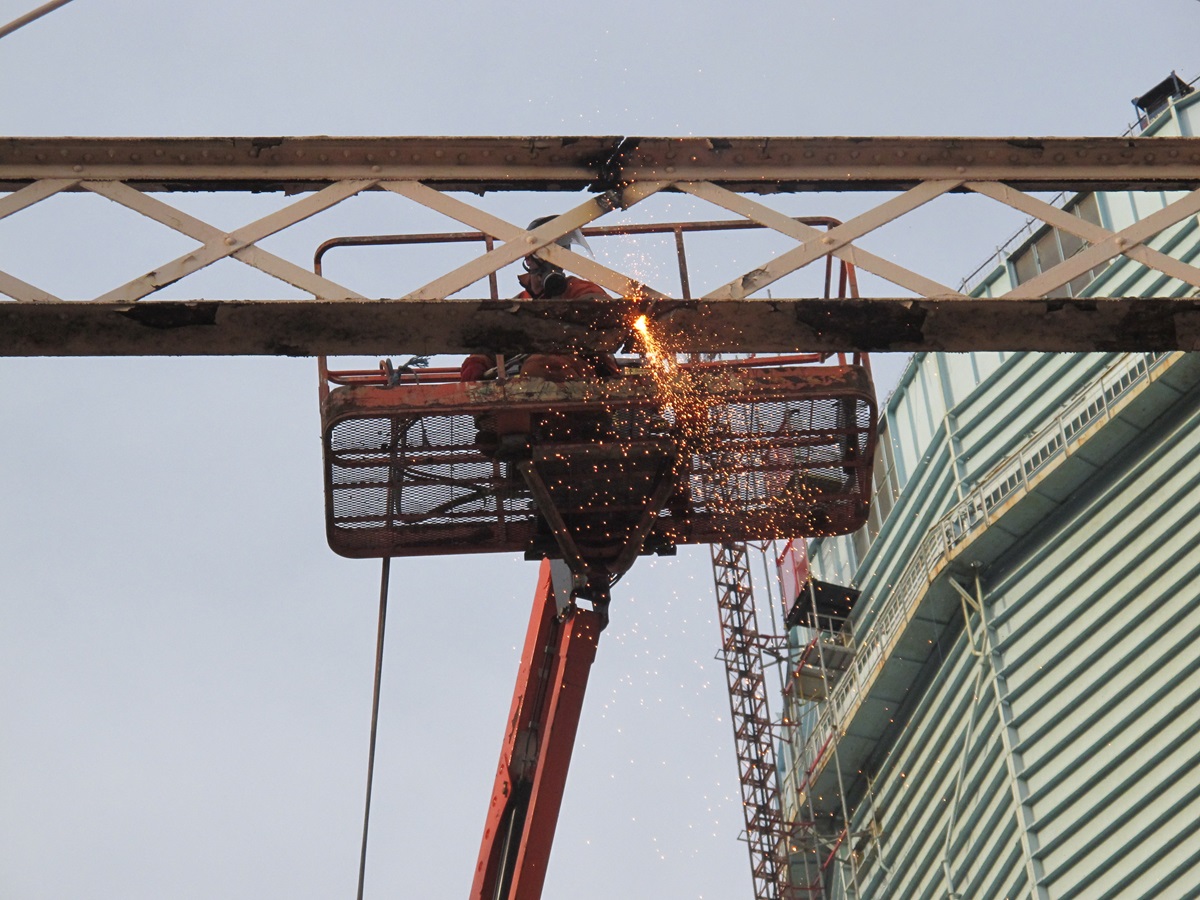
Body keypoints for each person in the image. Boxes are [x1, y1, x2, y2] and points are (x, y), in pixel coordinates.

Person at [459, 216, 620, 382]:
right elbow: (495, 341)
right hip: (526, 373)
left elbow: (605, 320)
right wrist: (478, 361)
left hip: (588, 371)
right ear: (529, 259)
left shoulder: (580, 290)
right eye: (548, 253)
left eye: (559, 252)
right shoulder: (522, 301)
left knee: (542, 365)